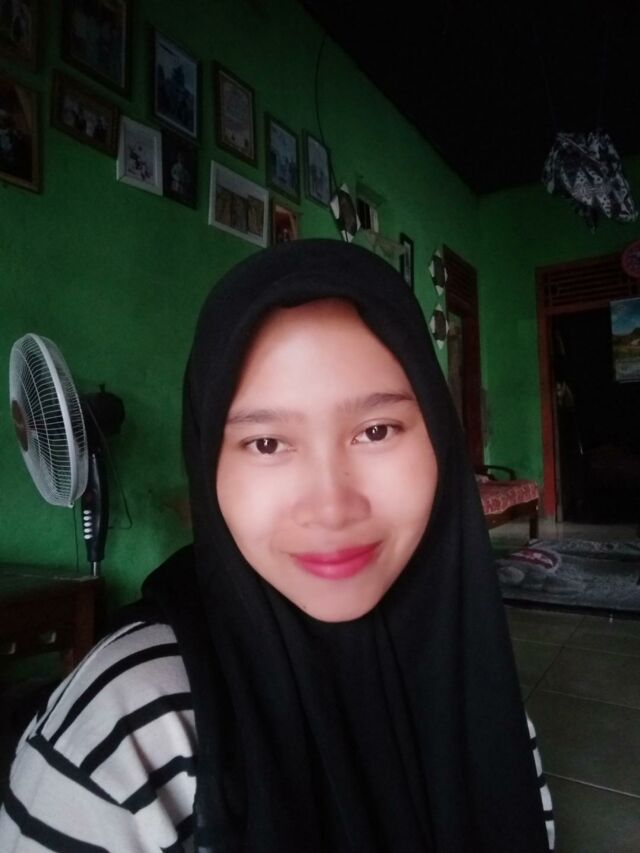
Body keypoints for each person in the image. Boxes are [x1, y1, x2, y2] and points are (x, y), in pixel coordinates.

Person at [0, 239, 554, 851]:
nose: (331, 506)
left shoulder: (477, 681)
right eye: (266, 443)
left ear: (439, 441)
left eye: (376, 430)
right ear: (208, 462)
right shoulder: (127, 727)